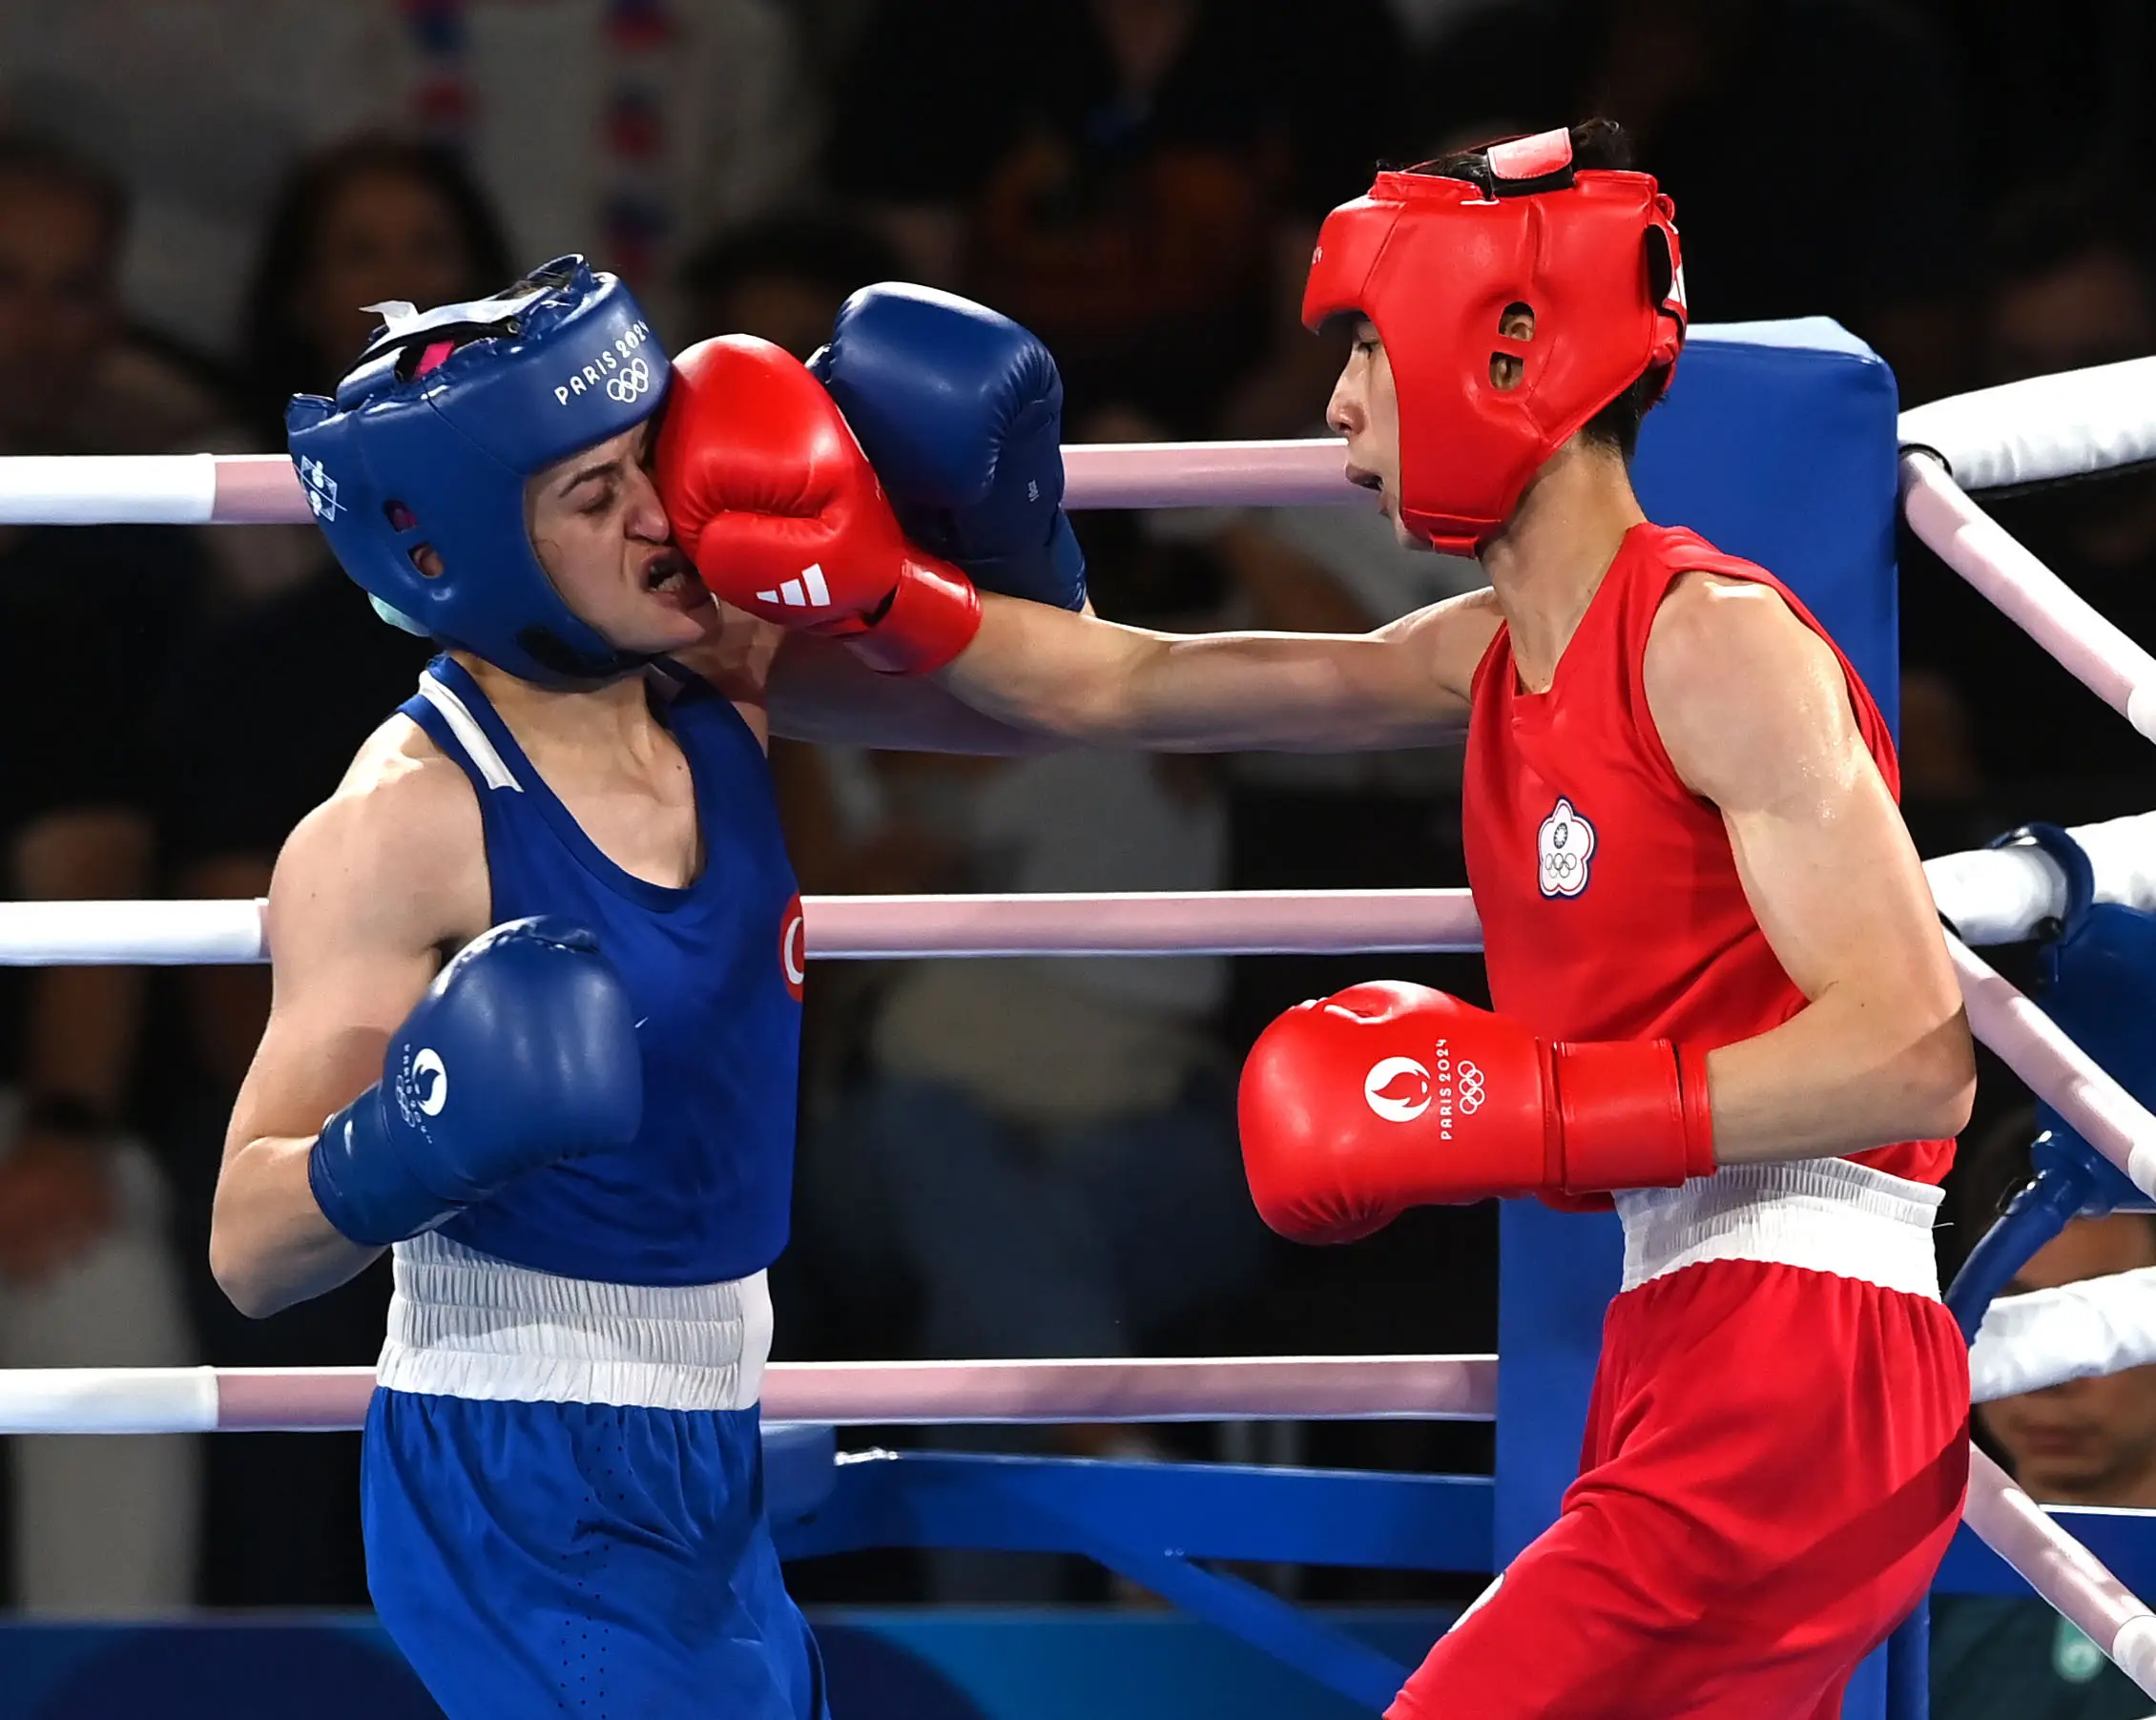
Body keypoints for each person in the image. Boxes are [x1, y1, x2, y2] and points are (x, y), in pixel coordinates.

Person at [663, 120, 1974, 1717]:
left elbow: (1915, 1051)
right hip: (1683, 1322)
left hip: (1804, 1344)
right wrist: (870, 594)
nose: (1342, 398)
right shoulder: (1489, 651)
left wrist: (1541, 1105)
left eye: (1367, 341)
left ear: (1507, 343)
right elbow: (1129, 683)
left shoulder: (1713, 644)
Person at [207, 258, 1072, 1713]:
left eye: (644, 467)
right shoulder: (396, 826)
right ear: (471, 543)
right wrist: (416, 1132)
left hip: (709, 1436)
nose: (665, 517)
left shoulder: (717, 682)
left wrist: (1016, 536)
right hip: (513, 1464)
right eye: (593, 496)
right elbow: (247, 1242)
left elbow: (1045, 705)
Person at [161, 137, 516, 1608]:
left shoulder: (646, 645)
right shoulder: (259, 669)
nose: (398, 290)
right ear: (307, 305)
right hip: (367, 1102)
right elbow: (232, 1015)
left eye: (425, 248)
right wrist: (427, 1115)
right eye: (358, 253)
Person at [0, 127, 206, 1614]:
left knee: (99, 1273)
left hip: (10, 1105)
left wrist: (65, 1124)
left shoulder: (95, 571)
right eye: (2, 279)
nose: (35, 324)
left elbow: (88, 861)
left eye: (73, 288)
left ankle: (106, 1693)